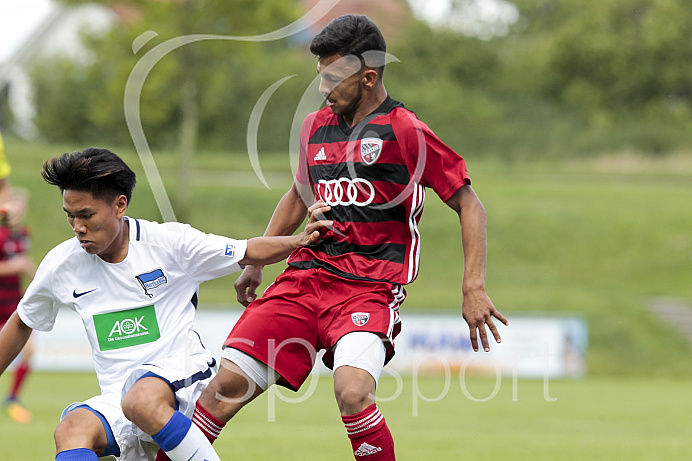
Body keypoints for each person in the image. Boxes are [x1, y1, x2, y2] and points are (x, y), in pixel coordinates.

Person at [187, 14, 508, 461]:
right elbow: (298, 197)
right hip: (304, 280)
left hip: (369, 288)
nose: (323, 89)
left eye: (333, 79)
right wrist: (257, 260)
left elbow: (469, 203)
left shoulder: (404, 130)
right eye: (320, 76)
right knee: (223, 387)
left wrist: (473, 286)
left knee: (353, 392)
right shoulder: (314, 127)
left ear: (369, 76)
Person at [0, 147, 332, 460]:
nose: (79, 228)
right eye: (70, 217)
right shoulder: (62, 263)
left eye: (87, 215)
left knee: (141, 399)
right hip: (122, 396)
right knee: (71, 430)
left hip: (182, 371)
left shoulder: (169, 243)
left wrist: (300, 241)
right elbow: (21, 320)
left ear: (120, 205)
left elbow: (247, 250)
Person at [0, 187, 36, 424]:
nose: (18, 209)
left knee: (29, 350)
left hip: (15, 302)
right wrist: (19, 266)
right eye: (14, 204)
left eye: (21, 206)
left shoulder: (23, 234)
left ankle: (12, 399)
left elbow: (24, 265)